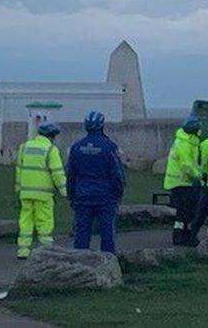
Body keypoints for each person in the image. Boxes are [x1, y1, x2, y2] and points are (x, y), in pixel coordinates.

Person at [67, 111, 125, 255]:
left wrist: (71, 195)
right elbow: (116, 174)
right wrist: (118, 193)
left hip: (83, 195)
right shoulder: (109, 147)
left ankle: (80, 263)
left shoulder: (76, 147)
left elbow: (70, 175)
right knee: (107, 232)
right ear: (102, 125)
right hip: (105, 196)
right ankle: (109, 263)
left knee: (81, 233)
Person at [15, 123, 67, 259]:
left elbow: (19, 169)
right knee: (44, 220)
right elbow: (57, 173)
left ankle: (23, 250)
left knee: (25, 220)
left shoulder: (24, 147)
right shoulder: (51, 150)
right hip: (43, 193)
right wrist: (64, 190)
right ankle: (46, 249)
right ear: (52, 136)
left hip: (25, 192)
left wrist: (19, 187)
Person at [163, 116, 203, 245]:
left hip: (184, 182)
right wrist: (199, 176)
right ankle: (180, 236)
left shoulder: (188, 141)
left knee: (186, 211)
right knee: (184, 211)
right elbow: (187, 165)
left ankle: (183, 234)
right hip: (181, 182)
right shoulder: (184, 144)